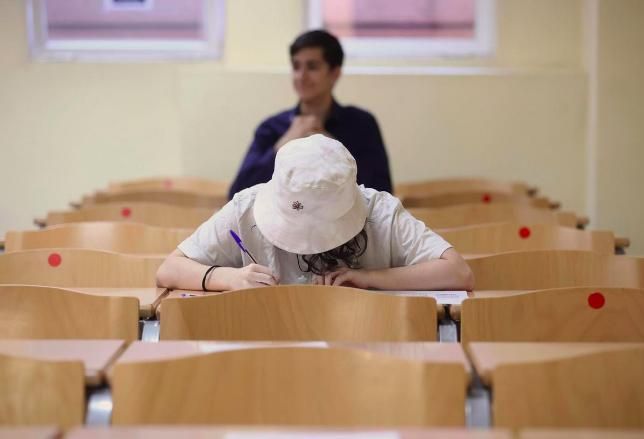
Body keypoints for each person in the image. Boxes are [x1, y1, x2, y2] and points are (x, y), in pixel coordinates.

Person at [157, 134, 474, 292]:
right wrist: (228, 277)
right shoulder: (246, 209)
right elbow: (170, 268)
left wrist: (370, 278)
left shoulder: (381, 212)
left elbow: (458, 272)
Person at [227, 29, 393, 199]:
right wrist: (283, 145)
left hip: (345, 224)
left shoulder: (362, 124)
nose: (301, 76)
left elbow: (382, 194)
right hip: (282, 224)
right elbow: (237, 195)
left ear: (334, 73)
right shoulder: (271, 127)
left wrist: (332, 149)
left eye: (312, 67)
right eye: (296, 66)